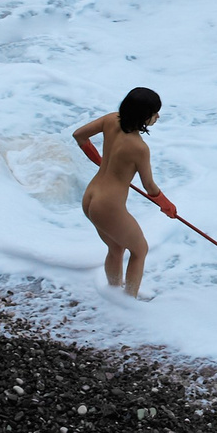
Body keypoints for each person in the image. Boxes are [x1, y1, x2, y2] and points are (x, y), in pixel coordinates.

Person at [73, 87, 174, 297]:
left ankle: (114, 294)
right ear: (143, 115)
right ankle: (129, 301)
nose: (158, 116)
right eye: (154, 112)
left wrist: (97, 158)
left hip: (90, 196)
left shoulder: (110, 119)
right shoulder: (139, 148)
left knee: (116, 248)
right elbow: (149, 187)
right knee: (140, 250)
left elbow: (79, 135)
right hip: (107, 206)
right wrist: (167, 206)